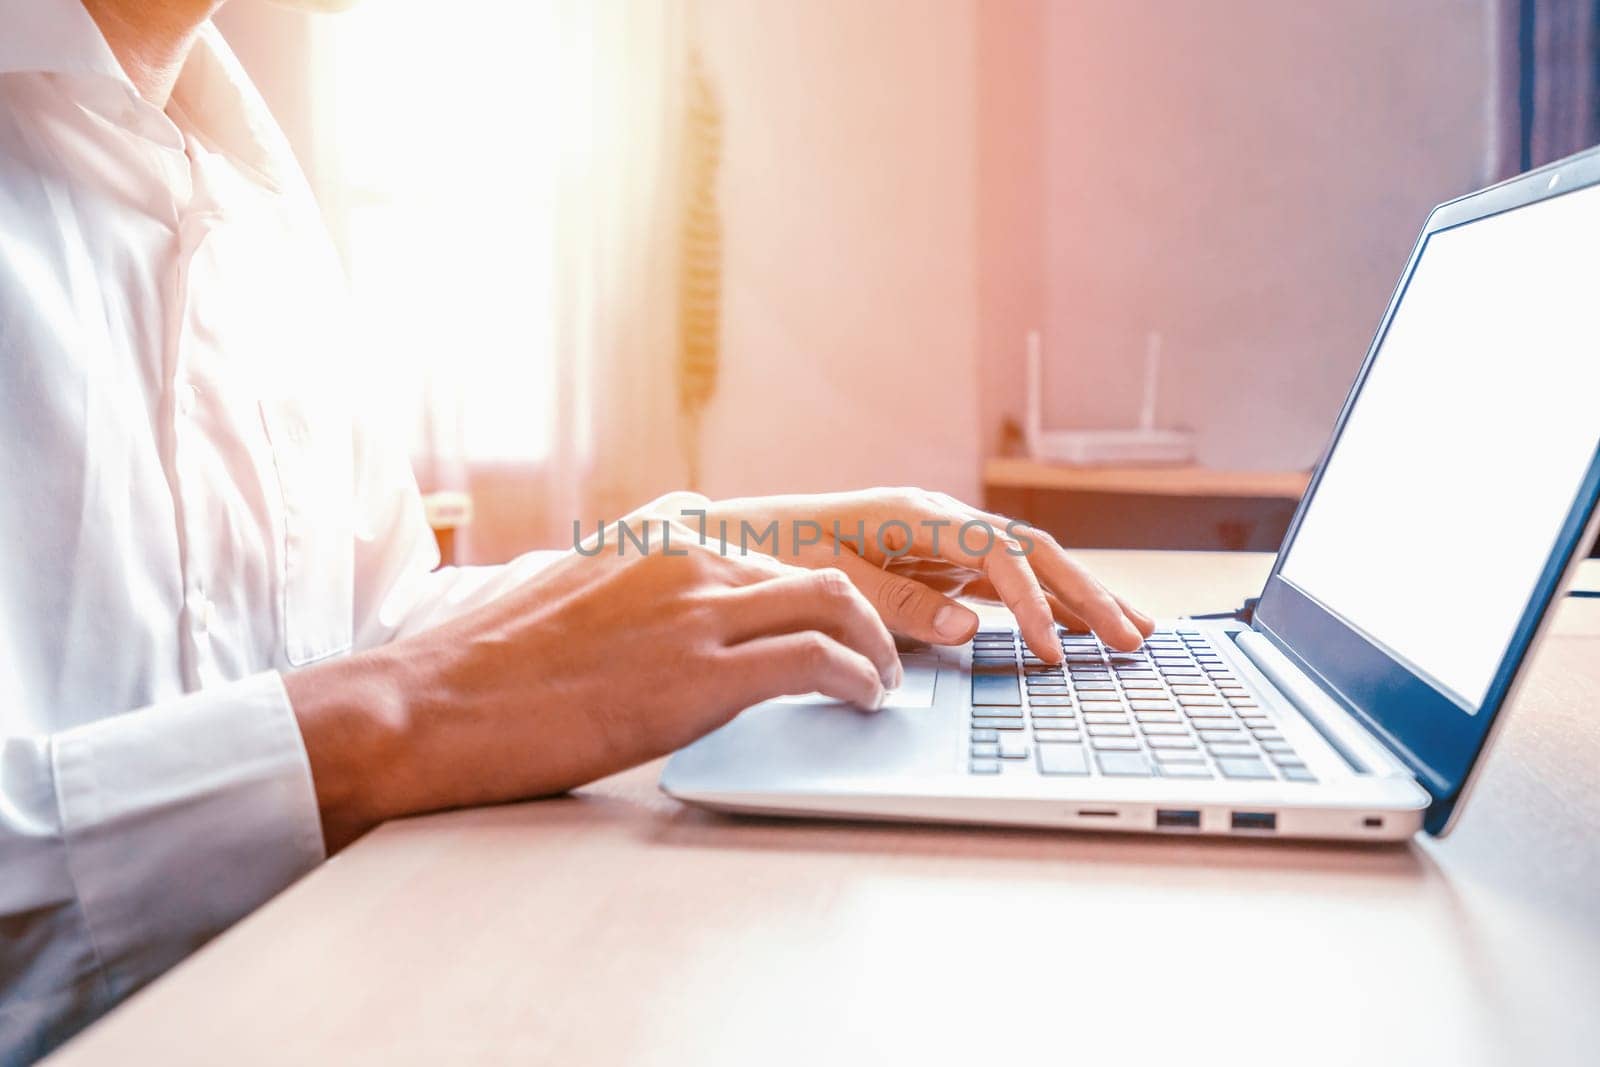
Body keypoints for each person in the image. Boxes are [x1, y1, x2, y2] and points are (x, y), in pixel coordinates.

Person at [0, 0, 1155, 1059]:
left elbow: (365, 631)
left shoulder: (238, 165)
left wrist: (722, 553)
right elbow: (390, 690)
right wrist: (400, 721)